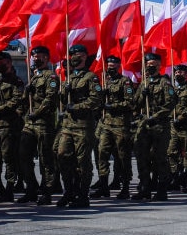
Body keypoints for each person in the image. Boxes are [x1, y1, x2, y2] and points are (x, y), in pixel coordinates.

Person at [55, 44, 102, 208]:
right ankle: (69, 191)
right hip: (68, 126)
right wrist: (64, 92)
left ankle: (82, 195)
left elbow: (95, 100)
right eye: (71, 55)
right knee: (62, 156)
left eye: (76, 54)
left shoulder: (91, 77)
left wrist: (76, 107)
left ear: (83, 56)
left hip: (83, 126)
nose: (73, 57)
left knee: (83, 162)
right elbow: (62, 101)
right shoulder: (68, 77)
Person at [17, 46, 59, 205]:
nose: (36, 59)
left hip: (43, 123)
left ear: (47, 58)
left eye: (40, 56)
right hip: (29, 123)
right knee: (23, 155)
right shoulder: (33, 77)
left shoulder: (51, 77)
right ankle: (31, 188)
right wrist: (25, 92)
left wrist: (37, 113)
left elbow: (50, 99)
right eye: (34, 56)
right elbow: (24, 101)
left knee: (45, 159)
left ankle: (47, 191)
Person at [132, 52, 176, 201]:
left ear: (159, 65)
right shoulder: (144, 83)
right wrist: (141, 95)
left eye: (153, 65)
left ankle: (161, 188)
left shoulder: (165, 83)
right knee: (141, 156)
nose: (149, 67)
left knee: (159, 157)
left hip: (159, 126)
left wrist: (155, 117)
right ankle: (145, 187)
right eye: (148, 65)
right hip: (144, 125)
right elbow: (135, 104)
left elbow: (170, 103)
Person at [93, 56, 135, 198]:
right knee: (102, 153)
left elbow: (130, 103)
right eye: (108, 66)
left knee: (123, 156)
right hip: (106, 124)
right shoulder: (105, 82)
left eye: (113, 66)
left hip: (120, 125)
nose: (110, 69)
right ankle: (104, 185)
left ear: (118, 66)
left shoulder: (125, 82)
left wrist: (113, 106)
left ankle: (125, 187)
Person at [0, 49, 24, 204]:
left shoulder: (17, 81)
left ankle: (9, 188)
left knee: (8, 157)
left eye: (3, 62)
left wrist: (0, 109)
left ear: (9, 63)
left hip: (9, 124)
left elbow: (16, 100)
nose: (0, 64)